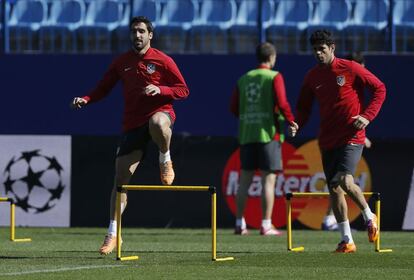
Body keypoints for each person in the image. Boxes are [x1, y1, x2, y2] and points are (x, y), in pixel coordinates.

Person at [71, 16, 189, 255]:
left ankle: (164, 157)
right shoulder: (121, 62)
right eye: (134, 31)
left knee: (157, 122)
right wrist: (86, 99)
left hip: (160, 113)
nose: (137, 35)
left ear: (150, 35)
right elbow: (103, 88)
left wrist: (161, 89)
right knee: (120, 182)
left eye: (142, 31)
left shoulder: (163, 60)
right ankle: (113, 233)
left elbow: (183, 90)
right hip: (132, 124)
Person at [289, 30, 386, 253]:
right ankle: (347, 240)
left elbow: (380, 88)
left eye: (321, 49)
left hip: (351, 135)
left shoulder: (350, 68)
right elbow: (304, 108)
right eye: (314, 50)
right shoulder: (312, 77)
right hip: (327, 139)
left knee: (344, 179)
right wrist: (297, 123)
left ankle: (369, 215)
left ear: (332, 48)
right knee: (334, 188)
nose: (318, 53)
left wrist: (367, 116)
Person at [230, 42, 298, 236]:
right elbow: (282, 102)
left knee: (244, 182)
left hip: (247, 135)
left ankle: (239, 223)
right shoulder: (274, 76)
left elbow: (233, 107)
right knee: (268, 181)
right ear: (272, 58)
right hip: (269, 134)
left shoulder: (244, 79)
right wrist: (291, 121)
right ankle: (266, 224)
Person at [321, 51, 371, 231]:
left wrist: (364, 126)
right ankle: (331, 219)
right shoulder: (343, 75)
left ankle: (335, 221)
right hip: (334, 137)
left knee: (340, 180)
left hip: (350, 137)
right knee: (339, 181)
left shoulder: (358, 82)